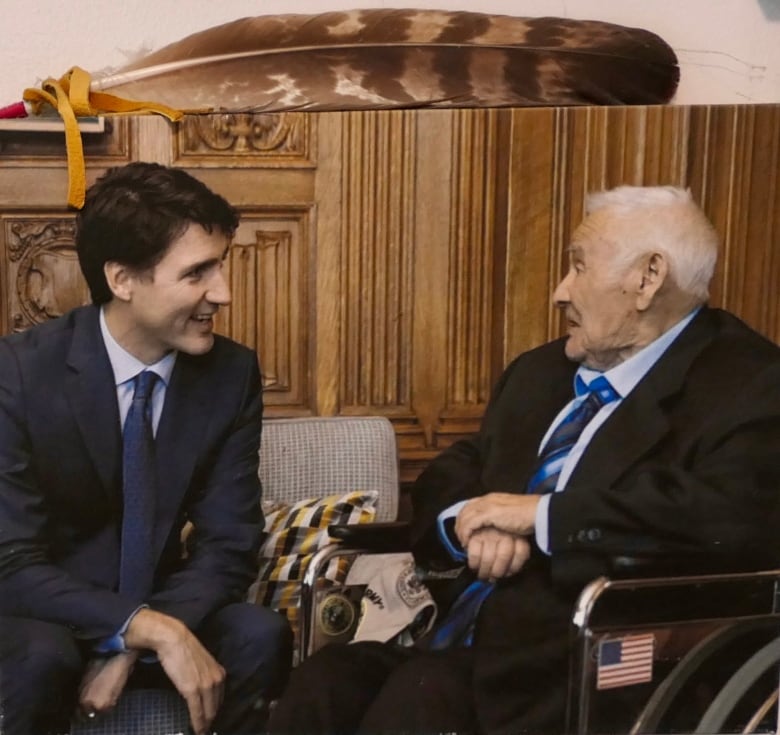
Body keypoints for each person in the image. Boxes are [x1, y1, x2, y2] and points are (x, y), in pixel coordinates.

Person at [267, 185, 780, 734]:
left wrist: (539, 518)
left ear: (648, 278)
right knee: (328, 680)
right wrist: (470, 520)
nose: (560, 292)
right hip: (463, 640)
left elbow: (725, 516)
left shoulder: (750, 383)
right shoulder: (540, 373)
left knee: (424, 697)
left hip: (597, 661)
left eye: (578, 267)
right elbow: (456, 468)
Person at [0, 162, 293, 735]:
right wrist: (143, 627)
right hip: (50, 614)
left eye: (221, 265)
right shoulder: (19, 371)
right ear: (123, 279)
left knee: (260, 634)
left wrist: (141, 638)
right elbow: (10, 560)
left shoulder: (231, 374)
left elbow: (229, 544)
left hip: (169, 605)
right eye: (197, 273)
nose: (223, 293)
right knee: (41, 657)